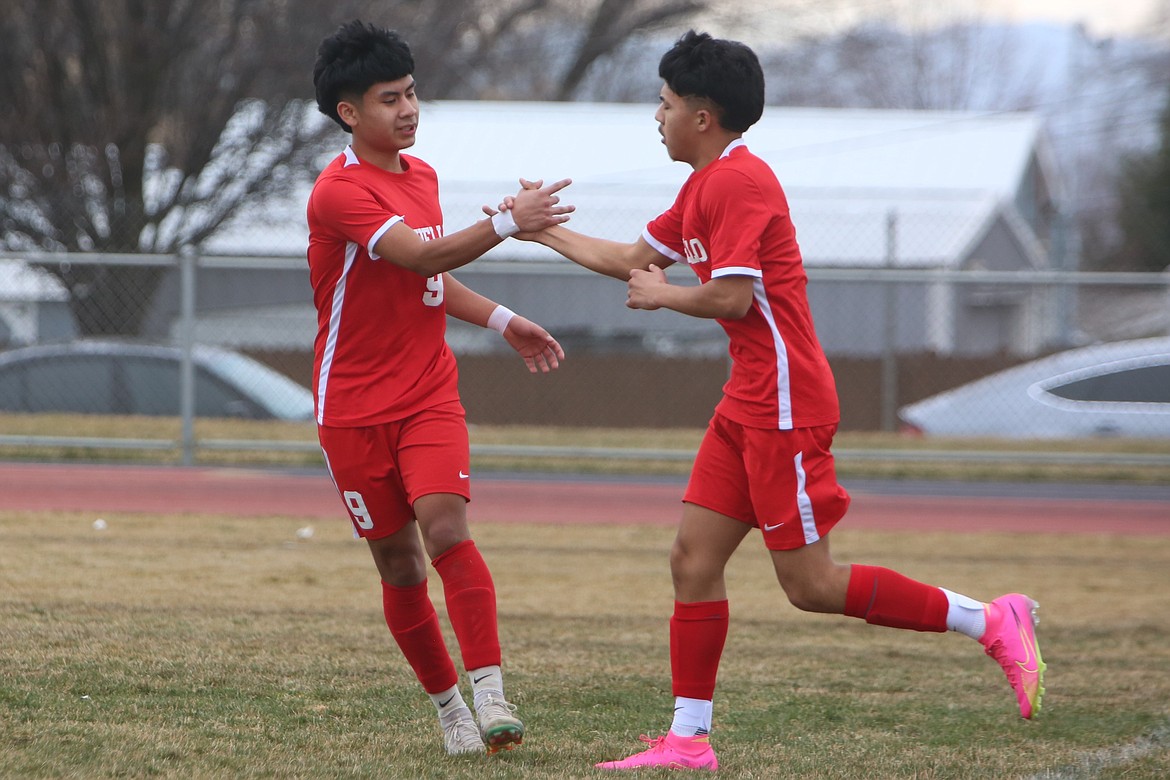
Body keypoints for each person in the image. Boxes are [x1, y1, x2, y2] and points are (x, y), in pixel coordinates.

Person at [504, 30, 1045, 772]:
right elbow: (632, 261)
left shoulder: (738, 183)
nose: (654, 118)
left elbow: (731, 297)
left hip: (786, 405)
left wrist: (664, 297)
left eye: (662, 104)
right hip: (749, 400)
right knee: (693, 560)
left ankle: (991, 620)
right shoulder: (703, 185)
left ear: (702, 115)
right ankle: (688, 742)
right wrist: (540, 233)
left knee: (812, 586)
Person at [307, 20, 572, 757]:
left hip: (427, 393)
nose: (409, 109)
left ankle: (490, 696)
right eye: (390, 98)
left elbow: (429, 272)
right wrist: (507, 223)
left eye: (413, 92)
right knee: (398, 564)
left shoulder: (420, 177)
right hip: (352, 411)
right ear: (349, 113)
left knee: (446, 527)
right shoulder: (338, 193)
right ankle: (450, 709)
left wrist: (503, 318)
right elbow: (418, 257)